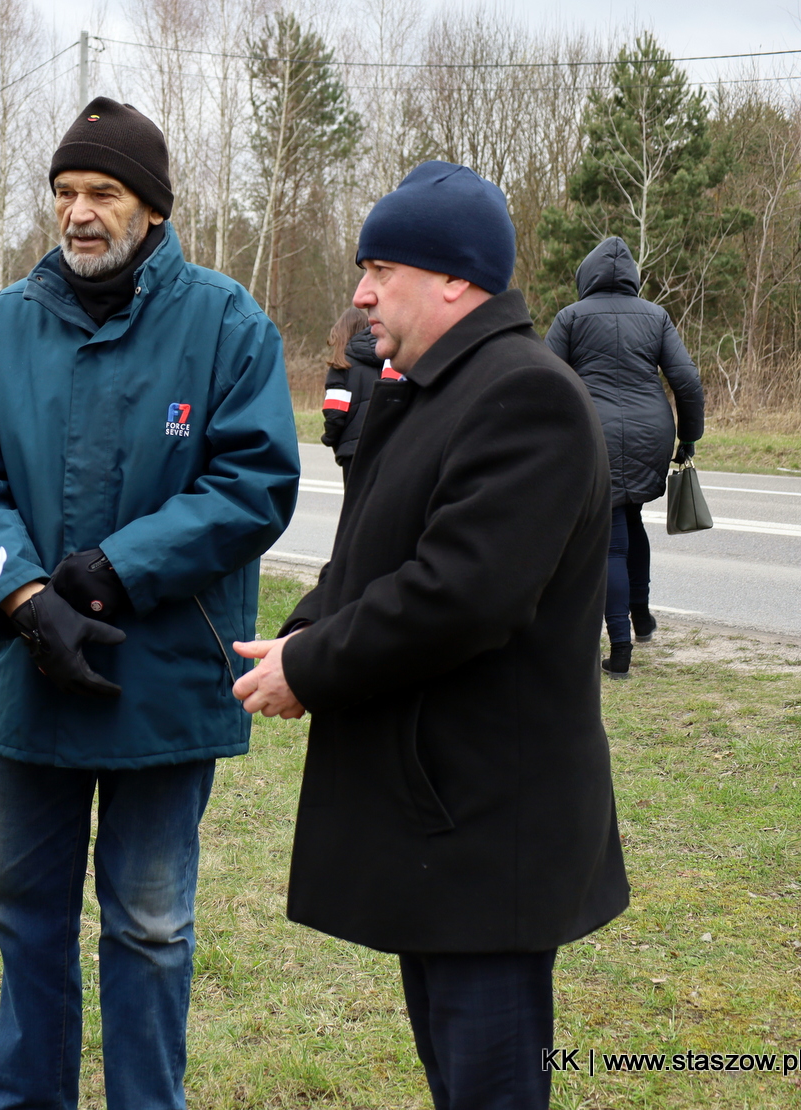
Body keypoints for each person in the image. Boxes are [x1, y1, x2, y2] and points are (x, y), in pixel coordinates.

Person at [0, 97, 300, 1110]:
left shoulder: (225, 323)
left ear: (152, 209)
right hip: (37, 672)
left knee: (149, 924)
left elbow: (254, 482)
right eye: (64, 193)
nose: (79, 213)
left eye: (103, 193)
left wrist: (117, 569)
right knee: (23, 912)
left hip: (163, 679)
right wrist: (32, 595)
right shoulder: (4, 325)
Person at [232, 161, 629, 1110]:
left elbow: (460, 595)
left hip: (488, 831)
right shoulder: (435, 386)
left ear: (455, 279)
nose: (361, 292)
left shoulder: (524, 396)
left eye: (381, 268)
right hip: (442, 818)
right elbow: (373, 551)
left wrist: (312, 668)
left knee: (487, 1087)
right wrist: (297, 635)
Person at [545, 236, 705, 678]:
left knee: (611, 539)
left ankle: (619, 651)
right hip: (650, 434)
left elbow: (540, 378)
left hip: (592, 434)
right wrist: (688, 438)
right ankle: (642, 617)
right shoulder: (656, 316)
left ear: (587, 276)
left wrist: (546, 438)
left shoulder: (571, 318)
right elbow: (687, 383)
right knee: (630, 519)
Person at [319, 306, 381, 469]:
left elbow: (335, 414)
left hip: (353, 451)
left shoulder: (341, 366)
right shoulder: (389, 361)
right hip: (385, 448)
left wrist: (329, 438)